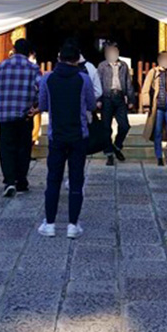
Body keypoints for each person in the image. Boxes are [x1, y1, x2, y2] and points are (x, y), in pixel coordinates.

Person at [37, 38, 99, 238]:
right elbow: (91, 104)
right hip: (78, 134)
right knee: (76, 180)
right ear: (77, 59)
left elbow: (43, 105)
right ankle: (73, 224)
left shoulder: (47, 78)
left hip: (56, 134)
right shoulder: (83, 79)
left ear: (59, 58)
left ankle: (50, 223)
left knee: (53, 179)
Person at [0, 37, 39, 198]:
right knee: (23, 148)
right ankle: (21, 181)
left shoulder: (2, 66)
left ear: (14, 50)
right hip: (25, 115)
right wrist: (36, 107)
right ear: (29, 53)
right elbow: (42, 89)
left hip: (6, 115)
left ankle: (9, 181)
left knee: (6, 147)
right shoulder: (33, 68)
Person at [98, 41, 136, 165]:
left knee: (124, 125)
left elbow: (128, 83)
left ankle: (117, 146)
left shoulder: (123, 65)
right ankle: (109, 154)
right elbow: (97, 83)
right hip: (106, 98)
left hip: (119, 97)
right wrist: (97, 100)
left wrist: (131, 99)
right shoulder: (102, 66)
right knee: (105, 127)